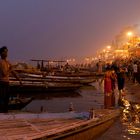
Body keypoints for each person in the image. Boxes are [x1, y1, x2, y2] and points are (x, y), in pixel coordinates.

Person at [0, 46, 22, 112]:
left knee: (7, 100)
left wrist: (19, 80)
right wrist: (10, 69)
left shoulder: (8, 62)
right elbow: (4, 73)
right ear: (1, 53)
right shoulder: (1, 62)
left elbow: (13, 72)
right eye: (5, 52)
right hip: (1, 83)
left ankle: (5, 113)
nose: (6, 53)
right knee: (2, 100)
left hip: (7, 83)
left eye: (7, 52)